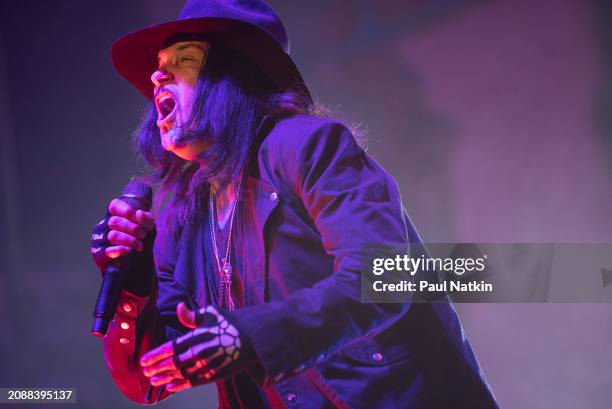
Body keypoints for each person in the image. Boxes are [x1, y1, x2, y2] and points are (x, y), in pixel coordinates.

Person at [90, 0, 499, 407]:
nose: (158, 75)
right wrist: (135, 284)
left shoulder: (307, 146)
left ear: (230, 76)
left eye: (183, 59)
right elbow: (148, 379)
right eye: (159, 66)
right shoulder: (182, 212)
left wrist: (250, 336)